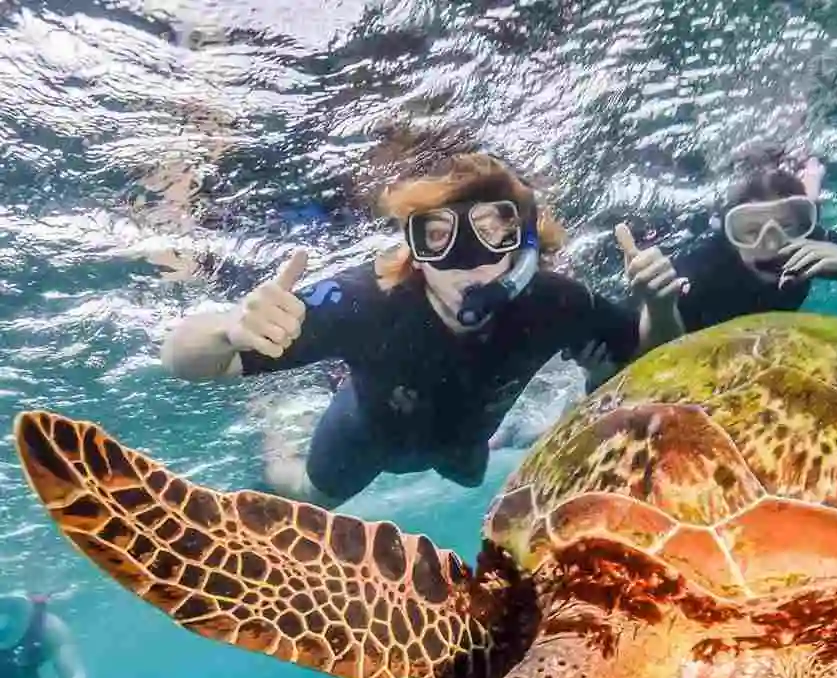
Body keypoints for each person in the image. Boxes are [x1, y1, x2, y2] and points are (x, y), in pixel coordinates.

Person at [160, 153, 686, 506]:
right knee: (308, 496)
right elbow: (181, 361)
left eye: (489, 237)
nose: (465, 266)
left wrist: (659, 308)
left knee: (471, 472)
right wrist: (228, 329)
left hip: (463, 444)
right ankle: (278, 439)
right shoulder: (367, 302)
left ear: (524, 248)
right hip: (365, 439)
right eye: (439, 240)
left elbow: (645, 368)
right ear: (414, 250)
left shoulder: (555, 302)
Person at [672, 155, 837, 333]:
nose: (772, 242)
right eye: (751, 229)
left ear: (805, 227)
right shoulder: (705, 263)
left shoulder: (816, 249)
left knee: (807, 200)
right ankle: (810, 182)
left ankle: (811, 181)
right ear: (732, 233)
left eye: (788, 227)